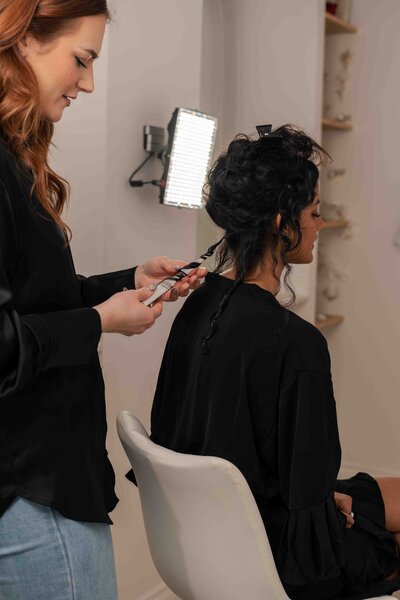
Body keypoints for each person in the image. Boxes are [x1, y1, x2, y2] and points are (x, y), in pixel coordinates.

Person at [0, 2, 205, 599]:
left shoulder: (15, 161)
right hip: (32, 488)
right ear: (22, 41)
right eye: (81, 60)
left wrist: (124, 283)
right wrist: (98, 320)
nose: (88, 82)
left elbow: (33, 303)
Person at [149, 125, 400, 600]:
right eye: (315, 213)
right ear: (282, 223)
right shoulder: (297, 344)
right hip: (281, 556)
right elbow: (309, 522)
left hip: (216, 535)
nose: (320, 227)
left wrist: (325, 498)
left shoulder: (198, 307)